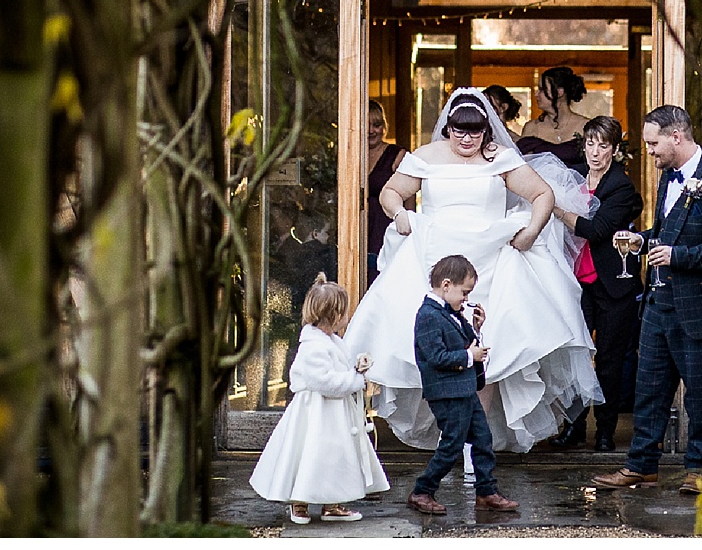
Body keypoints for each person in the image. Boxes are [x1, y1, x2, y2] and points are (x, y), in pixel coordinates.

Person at [347, 88, 602, 453]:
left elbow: (543, 195)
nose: (467, 139)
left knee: (491, 351)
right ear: (448, 128)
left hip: (493, 263)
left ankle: (474, 445)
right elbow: (390, 191)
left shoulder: (501, 158)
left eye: (475, 131)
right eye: (459, 131)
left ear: (487, 129)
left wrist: (530, 233)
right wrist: (400, 214)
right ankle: (450, 435)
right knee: (433, 347)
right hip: (434, 260)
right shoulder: (426, 156)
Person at [592, 106, 702, 495]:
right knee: (649, 390)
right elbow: (666, 231)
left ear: (676, 137)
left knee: (698, 393)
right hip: (659, 305)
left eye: (653, 143)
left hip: (699, 308)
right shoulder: (666, 177)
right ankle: (641, 467)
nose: (649, 151)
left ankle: (700, 470)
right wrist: (642, 239)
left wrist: (680, 258)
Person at [249, 274, 389, 523]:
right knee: (308, 453)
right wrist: (355, 380)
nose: (347, 317)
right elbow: (325, 382)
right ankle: (298, 501)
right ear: (334, 315)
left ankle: (331, 503)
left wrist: (356, 370)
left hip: (334, 414)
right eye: (345, 312)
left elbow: (336, 374)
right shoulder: (313, 346)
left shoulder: (331, 341)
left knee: (335, 456)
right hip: (314, 413)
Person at [553, 115, 644, 451]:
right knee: (574, 356)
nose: (594, 151)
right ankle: (573, 428)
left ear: (615, 150)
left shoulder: (621, 186)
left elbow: (596, 230)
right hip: (576, 283)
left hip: (613, 285)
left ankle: (604, 432)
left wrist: (558, 210)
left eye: (603, 145)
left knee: (608, 360)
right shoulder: (574, 176)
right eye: (590, 143)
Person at [407, 255, 517, 515]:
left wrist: (477, 329)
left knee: (482, 439)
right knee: (453, 444)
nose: (466, 300)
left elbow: (465, 343)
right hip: (447, 393)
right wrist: (470, 357)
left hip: (464, 390)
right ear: (446, 285)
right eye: (464, 293)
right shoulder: (428, 315)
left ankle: (486, 491)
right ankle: (423, 490)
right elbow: (436, 357)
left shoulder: (452, 313)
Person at [517, 66, 591, 175]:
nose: (536, 94)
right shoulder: (531, 128)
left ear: (559, 92)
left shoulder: (586, 126)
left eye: (542, 89)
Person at [366, 100, 405, 285]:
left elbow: (408, 201)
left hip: (384, 226)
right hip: (356, 225)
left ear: (384, 127)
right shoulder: (349, 153)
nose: (371, 130)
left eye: (377, 125)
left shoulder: (397, 155)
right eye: (365, 125)